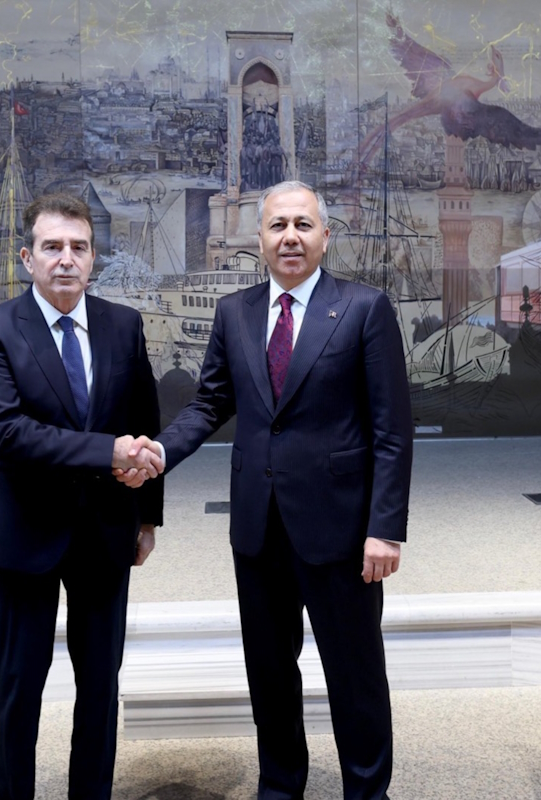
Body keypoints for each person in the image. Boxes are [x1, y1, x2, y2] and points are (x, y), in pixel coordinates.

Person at [123, 180, 413, 799]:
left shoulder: (364, 309)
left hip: (341, 530)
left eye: (303, 225)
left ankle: (368, 792)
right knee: (270, 673)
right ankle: (280, 788)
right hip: (257, 529)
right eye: (278, 225)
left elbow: (392, 431)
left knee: (355, 674)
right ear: (259, 238)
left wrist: (385, 528)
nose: (290, 237)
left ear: (325, 236)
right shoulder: (236, 312)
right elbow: (210, 403)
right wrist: (161, 453)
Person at [0, 193, 164, 799]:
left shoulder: (123, 325)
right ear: (28, 258)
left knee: (101, 687)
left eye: (79, 247)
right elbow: (8, 434)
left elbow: (144, 422)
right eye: (52, 247)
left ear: (93, 257)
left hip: (106, 531)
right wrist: (108, 452)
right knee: (19, 688)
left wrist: (148, 519)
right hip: (22, 536)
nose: (66, 259)